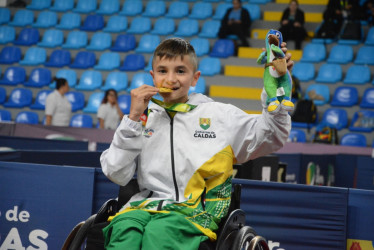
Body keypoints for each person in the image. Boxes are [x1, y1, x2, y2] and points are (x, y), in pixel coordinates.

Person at [100, 37, 293, 249]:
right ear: (152, 77)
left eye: (180, 71)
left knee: (160, 234)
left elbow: (272, 135)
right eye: (163, 71)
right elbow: (116, 173)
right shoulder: (141, 119)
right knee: (124, 232)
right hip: (142, 207)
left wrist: (275, 88)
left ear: (195, 78)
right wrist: (132, 118)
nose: (171, 78)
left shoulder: (218, 115)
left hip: (195, 211)